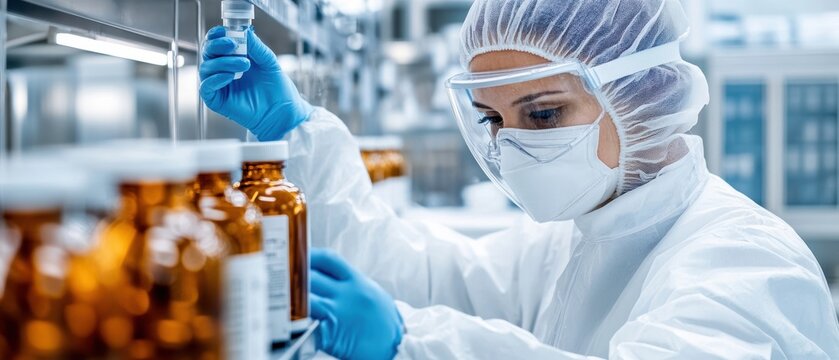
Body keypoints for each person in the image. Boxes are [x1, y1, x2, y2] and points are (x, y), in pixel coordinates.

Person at [199, 0, 839, 358]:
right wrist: (297, 130)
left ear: (645, 94)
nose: (512, 145)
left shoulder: (747, 263)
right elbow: (422, 277)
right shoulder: (582, 237)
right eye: (492, 119)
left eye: (543, 113)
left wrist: (410, 343)